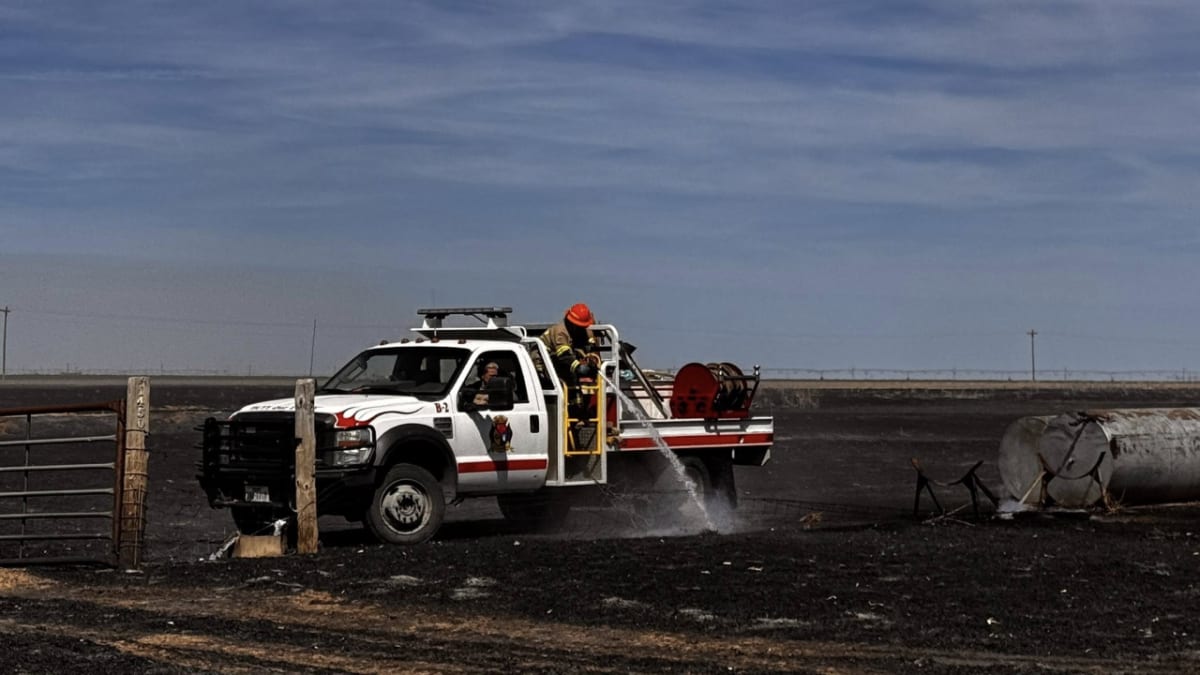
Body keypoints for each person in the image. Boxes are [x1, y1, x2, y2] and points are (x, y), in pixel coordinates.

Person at [539, 303, 600, 384]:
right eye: (580, 326)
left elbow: (590, 346)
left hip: (558, 362)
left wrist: (592, 362)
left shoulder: (579, 331)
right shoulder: (561, 332)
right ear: (573, 325)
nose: (582, 329)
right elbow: (564, 356)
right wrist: (579, 367)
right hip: (542, 362)